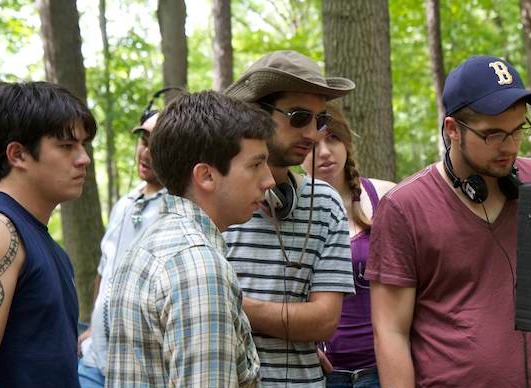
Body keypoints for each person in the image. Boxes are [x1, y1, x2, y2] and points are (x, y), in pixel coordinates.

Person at [366, 55, 531, 388]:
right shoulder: (404, 207)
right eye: (494, 135)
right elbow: (390, 331)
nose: (511, 147)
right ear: (453, 130)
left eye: (518, 130)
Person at [105, 90, 274, 387]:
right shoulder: (198, 267)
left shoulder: (148, 245)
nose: (269, 179)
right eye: (256, 165)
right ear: (206, 176)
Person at [223, 50, 357, 387]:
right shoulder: (216, 200)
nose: (312, 134)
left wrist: (230, 303)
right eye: (299, 117)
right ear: (257, 114)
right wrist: (291, 321)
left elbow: (324, 321)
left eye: (320, 120)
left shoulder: (325, 204)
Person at [0, 81, 96, 388]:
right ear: (18, 155)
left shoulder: (43, 243)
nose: (84, 159)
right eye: (67, 146)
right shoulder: (3, 231)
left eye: (83, 145)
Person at [300, 102, 395, 388]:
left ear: (346, 140)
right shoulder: (291, 209)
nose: (325, 152)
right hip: (324, 375)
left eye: (332, 138)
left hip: (382, 368)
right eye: (312, 145)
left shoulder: (386, 196)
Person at [77, 107, 165, 388]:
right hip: (93, 360)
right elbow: (105, 271)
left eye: (157, 145)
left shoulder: (176, 209)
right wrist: (92, 327)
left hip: (138, 371)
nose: (146, 153)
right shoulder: (124, 204)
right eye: (143, 142)